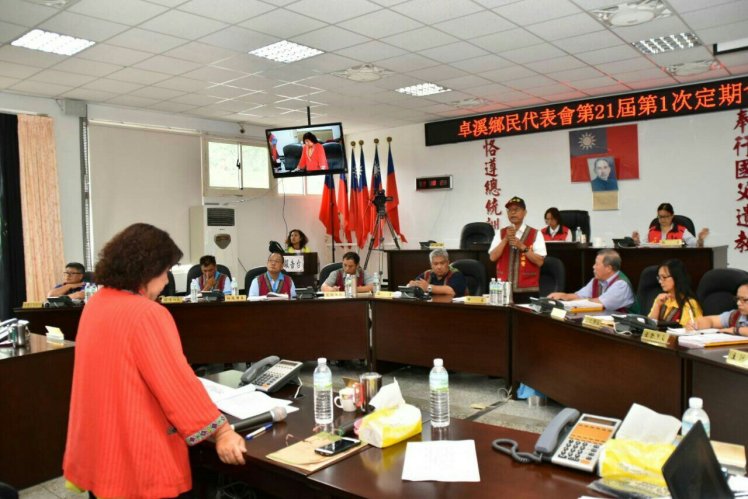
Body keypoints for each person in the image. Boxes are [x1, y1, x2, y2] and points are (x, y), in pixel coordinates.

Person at [63, 223, 246, 499]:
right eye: (165, 271)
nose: (165, 281)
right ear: (147, 270)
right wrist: (221, 431)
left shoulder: (96, 304)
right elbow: (176, 384)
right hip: (138, 459)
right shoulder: (147, 314)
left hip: (101, 451)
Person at [488, 196, 546, 293]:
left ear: (525, 212)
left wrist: (522, 247)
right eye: (510, 210)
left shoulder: (536, 233)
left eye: (516, 209)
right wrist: (505, 239)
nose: (513, 212)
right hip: (503, 288)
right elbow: (492, 258)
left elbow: (540, 262)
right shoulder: (501, 233)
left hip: (527, 289)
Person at [548, 249, 636, 312]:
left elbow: (599, 303)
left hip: (624, 328)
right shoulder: (597, 280)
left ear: (609, 268)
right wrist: (564, 296)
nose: (593, 267)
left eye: (597, 264)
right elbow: (580, 295)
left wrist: (567, 303)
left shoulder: (621, 284)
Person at [648, 259, 703, 326]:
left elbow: (687, 329)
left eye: (664, 277)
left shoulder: (689, 303)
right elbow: (649, 325)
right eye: (659, 277)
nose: (660, 281)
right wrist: (657, 305)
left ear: (676, 277)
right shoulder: (661, 299)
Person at [632, 203, 709, 247]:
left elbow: (696, 245)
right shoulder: (651, 231)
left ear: (672, 216)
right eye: (660, 217)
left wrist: (700, 239)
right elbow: (642, 246)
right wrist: (636, 242)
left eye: (666, 216)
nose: (663, 219)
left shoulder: (681, 231)